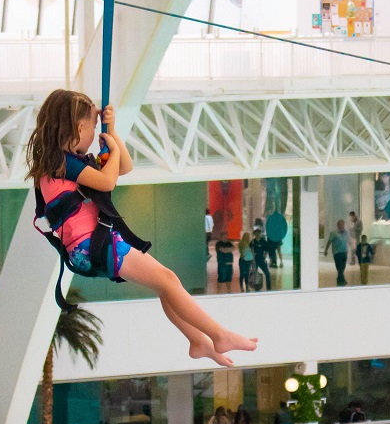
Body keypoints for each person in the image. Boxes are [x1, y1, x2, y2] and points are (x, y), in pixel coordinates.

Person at [28, 92, 255, 364]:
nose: (92, 134)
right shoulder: (62, 165)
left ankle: (197, 340)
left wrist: (111, 133)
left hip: (93, 246)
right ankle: (217, 335)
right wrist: (109, 147)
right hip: (93, 247)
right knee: (169, 281)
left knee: (166, 285)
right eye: (92, 126)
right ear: (79, 129)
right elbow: (107, 182)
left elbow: (124, 166)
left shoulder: (66, 164)